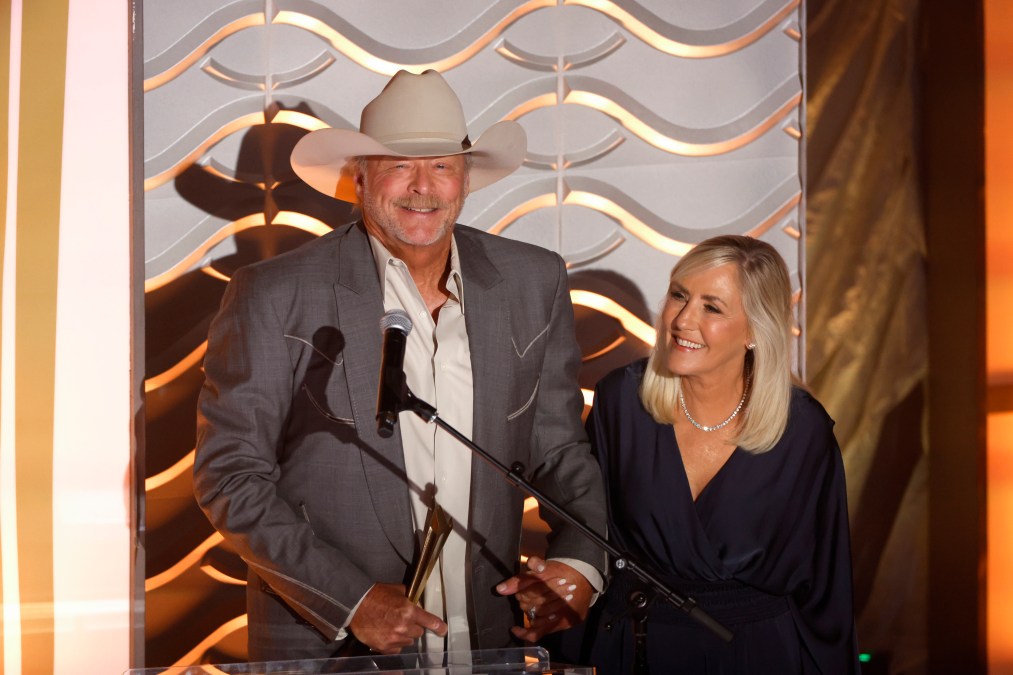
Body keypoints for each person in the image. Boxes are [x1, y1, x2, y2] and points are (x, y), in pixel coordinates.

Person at [193, 69, 607, 662]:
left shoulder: (533, 281)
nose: (422, 187)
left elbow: (560, 449)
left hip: (488, 639)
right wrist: (351, 598)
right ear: (359, 177)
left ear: (466, 177)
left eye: (441, 164)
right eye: (398, 166)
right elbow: (229, 476)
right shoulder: (271, 293)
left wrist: (580, 562)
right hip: (329, 649)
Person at [568, 235, 859, 673]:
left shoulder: (803, 430)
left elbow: (825, 587)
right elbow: (590, 536)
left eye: (712, 307)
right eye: (679, 296)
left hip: (758, 656)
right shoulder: (622, 402)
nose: (683, 320)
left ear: (756, 330)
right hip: (638, 648)